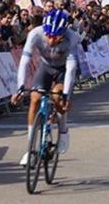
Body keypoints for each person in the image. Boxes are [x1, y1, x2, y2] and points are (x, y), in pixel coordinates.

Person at [11, 9, 80, 166]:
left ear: (63, 33)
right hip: (46, 66)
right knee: (35, 98)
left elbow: (71, 70)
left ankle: (63, 131)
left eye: (55, 37)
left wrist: (66, 96)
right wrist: (20, 87)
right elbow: (24, 61)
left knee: (57, 96)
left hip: (64, 69)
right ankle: (30, 150)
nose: (50, 40)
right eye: (48, 35)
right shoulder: (35, 33)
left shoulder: (72, 38)